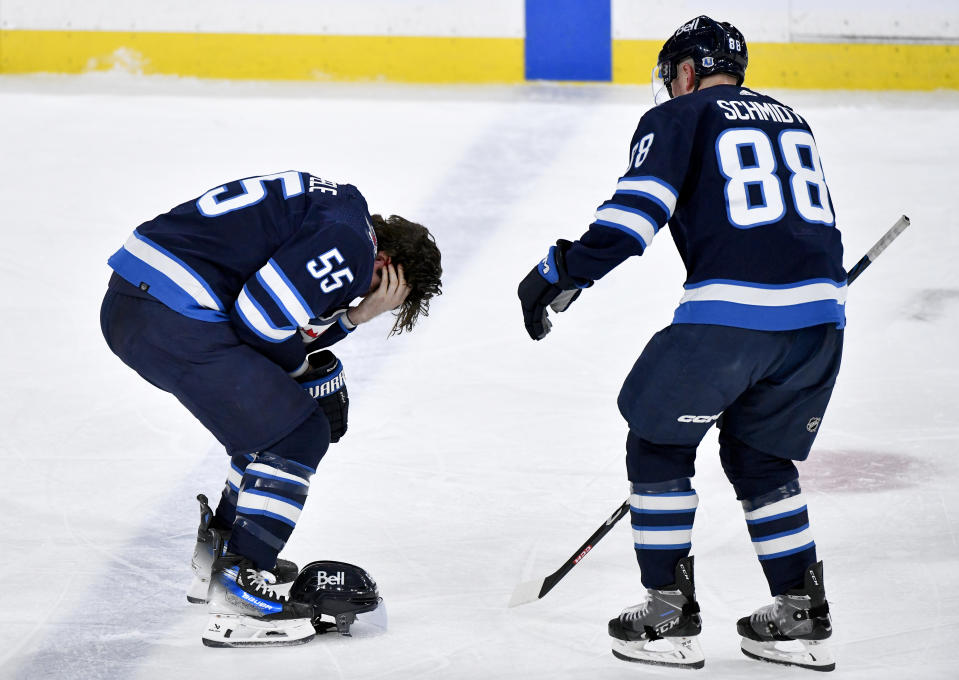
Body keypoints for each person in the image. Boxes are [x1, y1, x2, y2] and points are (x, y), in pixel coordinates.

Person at [518, 16, 841, 672]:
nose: (669, 88)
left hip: (730, 320)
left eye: (671, 77)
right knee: (761, 461)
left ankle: (666, 611)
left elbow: (634, 216)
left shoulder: (680, 116)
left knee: (659, 442)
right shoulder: (789, 118)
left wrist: (560, 271)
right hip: (819, 322)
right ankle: (799, 613)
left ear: (687, 71)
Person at [101, 170, 442, 647]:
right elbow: (260, 325)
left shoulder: (340, 213)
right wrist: (305, 371)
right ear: (384, 262)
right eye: (374, 291)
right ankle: (240, 594)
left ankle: (221, 558)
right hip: (168, 314)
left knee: (267, 426)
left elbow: (269, 321)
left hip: (145, 301)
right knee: (297, 434)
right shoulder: (351, 246)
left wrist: (352, 318)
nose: (362, 296)